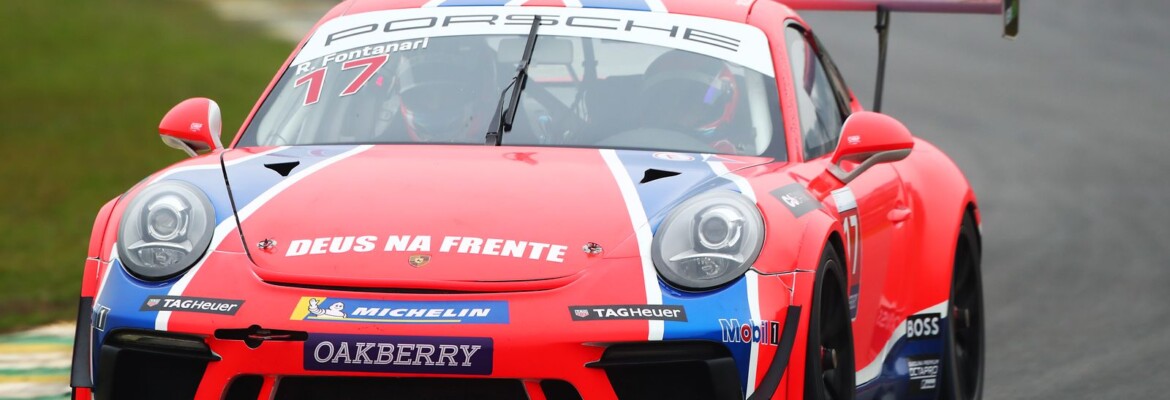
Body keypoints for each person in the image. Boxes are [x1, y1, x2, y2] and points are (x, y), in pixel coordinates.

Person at [379, 37, 500, 143]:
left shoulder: (508, 131)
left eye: (448, 95)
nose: (434, 105)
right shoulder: (379, 146)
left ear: (485, 91)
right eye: (424, 96)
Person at [638, 50, 742, 153]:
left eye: (689, 102)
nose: (676, 110)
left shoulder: (724, 155)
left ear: (714, 110)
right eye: (666, 100)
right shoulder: (635, 142)